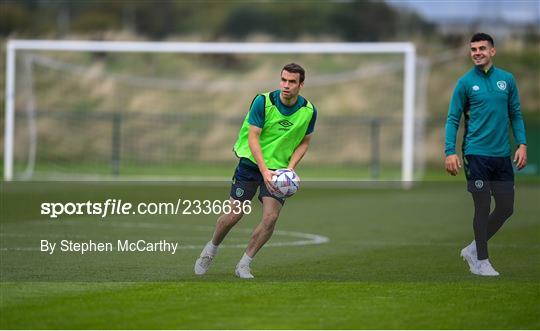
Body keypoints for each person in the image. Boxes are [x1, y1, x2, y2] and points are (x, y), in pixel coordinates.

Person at [194, 63, 317, 279]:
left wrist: (289, 169)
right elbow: (253, 137)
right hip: (251, 164)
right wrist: (264, 170)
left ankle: (244, 264)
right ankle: (211, 248)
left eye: (292, 82)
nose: (286, 85)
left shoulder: (309, 111)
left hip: (278, 170)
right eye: (283, 80)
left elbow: (305, 142)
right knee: (235, 213)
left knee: (270, 219)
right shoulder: (263, 101)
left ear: (301, 85)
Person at [445, 33, 527, 276]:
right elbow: (452, 119)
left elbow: (516, 114)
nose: (477, 52)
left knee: (506, 208)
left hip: (501, 156)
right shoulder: (465, 83)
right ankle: (481, 260)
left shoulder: (507, 80)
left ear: (493, 51)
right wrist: (450, 151)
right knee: (481, 205)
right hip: (475, 154)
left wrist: (521, 144)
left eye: (482, 48)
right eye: (473, 49)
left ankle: (472, 248)